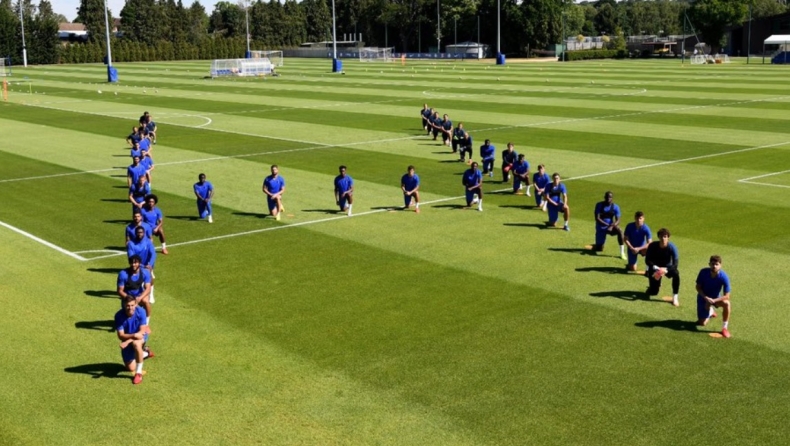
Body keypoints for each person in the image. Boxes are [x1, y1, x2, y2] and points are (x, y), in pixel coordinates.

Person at [115, 297, 152, 385]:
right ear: (124, 305)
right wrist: (133, 335)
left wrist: (128, 341)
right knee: (130, 368)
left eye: (132, 305)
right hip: (130, 336)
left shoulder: (141, 312)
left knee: (136, 344)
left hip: (141, 335)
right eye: (128, 305)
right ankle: (146, 353)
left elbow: (142, 332)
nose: (130, 308)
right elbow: (121, 335)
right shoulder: (119, 316)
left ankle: (138, 374)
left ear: (136, 304)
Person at [696, 255, 732, 338]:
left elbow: (727, 296)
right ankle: (710, 311)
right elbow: (698, 287)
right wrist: (706, 298)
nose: (714, 266)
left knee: (727, 303)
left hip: (716, 298)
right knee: (702, 323)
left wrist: (713, 301)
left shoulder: (724, 277)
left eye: (716, 264)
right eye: (712, 264)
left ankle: (724, 328)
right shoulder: (703, 272)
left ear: (720, 265)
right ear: (709, 264)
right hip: (703, 297)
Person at [645, 228, 680, 306]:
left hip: (667, 267)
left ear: (668, 237)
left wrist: (666, 269)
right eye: (661, 236)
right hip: (656, 268)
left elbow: (675, 264)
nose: (663, 238)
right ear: (658, 237)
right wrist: (655, 267)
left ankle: (675, 297)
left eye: (665, 236)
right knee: (653, 292)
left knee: (676, 274)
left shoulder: (672, 247)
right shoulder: (652, 246)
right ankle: (656, 285)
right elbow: (647, 260)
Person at [127, 225, 157, 304]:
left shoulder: (148, 242)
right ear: (135, 233)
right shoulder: (131, 244)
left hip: (148, 265)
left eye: (141, 232)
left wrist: (150, 264)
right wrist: (140, 265)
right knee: (136, 279)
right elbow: (131, 256)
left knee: (150, 278)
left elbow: (153, 254)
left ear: (144, 233)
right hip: (136, 265)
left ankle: (151, 295)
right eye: (138, 232)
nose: (139, 234)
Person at [117, 255, 152, 322]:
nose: (133, 265)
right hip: (128, 296)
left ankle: (146, 322)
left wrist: (140, 298)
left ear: (139, 263)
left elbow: (148, 288)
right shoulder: (123, 274)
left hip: (139, 295)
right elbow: (119, 291)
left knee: (146, 302)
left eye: (135, 262)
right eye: (131, 263)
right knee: (129, 314)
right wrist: (129, 298)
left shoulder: (145, 272)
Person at [592, 191, 626, 259]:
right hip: (600, 227)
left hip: (610, 227)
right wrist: (608, 225)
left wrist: (612, 226)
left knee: (620, 231)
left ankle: (622, 252)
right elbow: (597, 218)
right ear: (604, 197)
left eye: (610, 197)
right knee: (599, 249)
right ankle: (597, 245)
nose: (608, 198)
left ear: (612, 198)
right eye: (607, 197)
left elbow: (618, 220)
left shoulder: (615, 207)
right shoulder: (599, 205)